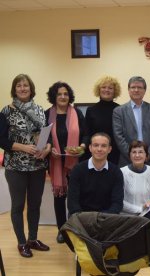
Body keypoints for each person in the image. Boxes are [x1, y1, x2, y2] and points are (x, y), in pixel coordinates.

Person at [1, 74, 51, 258]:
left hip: (38, 166)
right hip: (15, 166)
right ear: (14, 89)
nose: (22, 89)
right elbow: (1, 139)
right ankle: (21, 243)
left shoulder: (39, 110)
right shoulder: (6, 111)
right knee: (18, 205)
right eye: (19, 86)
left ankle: (33, 239)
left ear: (31, 89)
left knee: (35, 205)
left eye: (26, 86)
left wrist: (47, 148)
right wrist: (22, 147)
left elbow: (47, 134)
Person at [45, 81, 87, 243]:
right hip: (55, 162)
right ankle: (62, 230)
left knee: (76, 197)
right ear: (54, 97)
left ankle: (75, 228)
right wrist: (49, 148)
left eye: (65, 94)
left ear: (69, 97)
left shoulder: (77, 112)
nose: (63, 97)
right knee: (59, 198)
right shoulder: (47, 113)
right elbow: (44, 136)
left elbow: (86, 134)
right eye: (59, 94)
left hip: (75, 163)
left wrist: (82, 146)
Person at [67, 132, 124, 215]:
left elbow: (117, 204)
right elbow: (72, 203)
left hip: (106, 219)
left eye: (104, 146)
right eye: (96, 145)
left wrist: (101, 219)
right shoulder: (77, 170)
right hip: (81, 219)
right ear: (90, 148)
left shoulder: (116, 172)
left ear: (109, 149)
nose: (99, 149)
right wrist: (85, 219)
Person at [113, 76, 150, 167]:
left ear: (144, 90)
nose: (136, 90)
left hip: (149, 159)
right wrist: (132, 155)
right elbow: (119, 137)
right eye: (133, 87)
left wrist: (148, 154)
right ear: (128, 90)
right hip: (127, 160)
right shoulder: (119, 111)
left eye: (139, 87)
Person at [120, 140, 150, 239]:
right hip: (128, 215)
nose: (137, 155)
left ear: (146, 155)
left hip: (147, 213)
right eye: (134, 152)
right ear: (129, 155)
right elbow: (119, 202)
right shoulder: (122, 172)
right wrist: (140, 208)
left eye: (141, 152)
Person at [84, 76, 121, 164]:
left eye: (110, 88)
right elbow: (87, 133)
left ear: (115, 91)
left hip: (115, 153)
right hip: (96, 152)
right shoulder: (91, 110)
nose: (106, 90)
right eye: (103, 87)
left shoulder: (120, 109)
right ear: (99, 89)